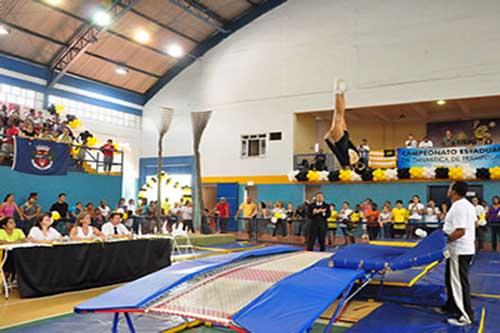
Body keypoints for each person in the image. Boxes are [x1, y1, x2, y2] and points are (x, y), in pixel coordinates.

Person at [442, 181, 475, 326]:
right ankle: (451, 306)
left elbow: (460, 231)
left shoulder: (460, 207)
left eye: (450, 187)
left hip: (459, 250)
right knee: (450, 278)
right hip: (457, 250)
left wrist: (443, 240)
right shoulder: (465, 205)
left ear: (454, 191)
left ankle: (466, 315)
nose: (448, 190)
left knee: (459, 283)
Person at [323, 79, 360, 170]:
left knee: (339, 113)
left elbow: (336, 152)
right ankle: (341, 93)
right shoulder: (356, 159)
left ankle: (338, 92)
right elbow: (351, 146)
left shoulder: (345, 162)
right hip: (343, 138)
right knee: (341, 113)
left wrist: (327, 140)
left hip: (340, 139)